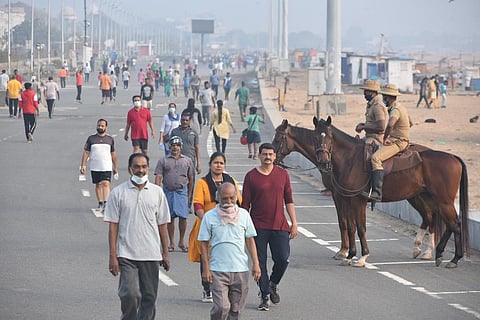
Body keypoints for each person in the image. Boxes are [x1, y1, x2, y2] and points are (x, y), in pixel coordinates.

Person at [104, 153, 171, 320]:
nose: (140, 170)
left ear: (148, 168)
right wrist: (113, 256)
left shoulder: (157, 193)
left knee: (149, 297)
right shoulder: (118, 193)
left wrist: (165, 252)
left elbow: (162, 224)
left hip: (151, 254)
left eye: (144, 167)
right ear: (129, 169)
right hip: (127, 254)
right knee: (130, 294)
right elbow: (113, 226)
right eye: (137, 167)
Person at [241, 143, 298, 311]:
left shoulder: (282, 174)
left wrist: (294, 222)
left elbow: (289, 199)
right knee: (260, 263)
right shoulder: (251, 176)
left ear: (275, 156)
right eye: (264, 154)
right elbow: (245, 205)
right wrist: (243, 227)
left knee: (282, 259)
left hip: (279, 225)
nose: (267, 157)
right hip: (257, 226)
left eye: (270, 154)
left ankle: (273, 283)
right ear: (259, 156)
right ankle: (264, 294)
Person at [198, 182, 261, 319]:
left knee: (236, 310)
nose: (229, 202)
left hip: (240, 270)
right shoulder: (209, 216)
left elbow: (250, 240)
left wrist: (256, 264)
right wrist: (206, 269)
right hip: (218, 270)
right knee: (222, 307)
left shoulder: (244, 215)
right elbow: (203, 244)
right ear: (218, 197)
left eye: (232, 198)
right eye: (225, 198)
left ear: (236, 197)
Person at [189, 152, 243, 304]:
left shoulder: (230, 181)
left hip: (227, 226)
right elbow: (198, 204)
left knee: (224, 257)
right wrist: (206, 219)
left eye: (221, 163)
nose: (218, 165)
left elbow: (238, 201)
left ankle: (224, 288)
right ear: (210, 164)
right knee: (205, 257)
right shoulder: (203, 182)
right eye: (216, 163)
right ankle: (207, 288)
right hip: (207, 225)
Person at [363, 84, 413, 202]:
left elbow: (390, 124)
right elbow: (410, 122)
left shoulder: (395, 110)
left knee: (375, 158)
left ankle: (377, 192)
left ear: (390, 97)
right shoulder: (401, 107)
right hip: (398, 138)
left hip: (399, 142)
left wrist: (386, 138)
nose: (383, 99)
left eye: (385, 97)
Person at [154, 136, 194, 253]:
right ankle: (171, 242)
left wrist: (189, 195)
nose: (175, 147)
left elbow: (191, 178)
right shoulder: (163, 161)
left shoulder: (187, 161)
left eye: (177, 145)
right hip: (168, 192)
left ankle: (181, 241)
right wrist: (157, 192)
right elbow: (159, 177)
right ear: (169, 147)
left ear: (181, 147)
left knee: (183, 217)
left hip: (182, 192)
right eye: (173, 145)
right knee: (170, 217)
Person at [80, 119, 118, 213]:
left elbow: (113, 154)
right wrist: (83, 165)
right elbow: (86, 152)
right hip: (95, 166)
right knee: (98, 184)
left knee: (106, 183)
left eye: (102, 126)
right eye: (99, 125)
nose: (100, 127)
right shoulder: (91, 139)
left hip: (107, 166)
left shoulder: (110, 139)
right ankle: (100, 202)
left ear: (106, 127)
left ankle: (106, 203)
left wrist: (115, 166)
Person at [354, 79, 388, 146]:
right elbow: (374, 123)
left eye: (366, 91)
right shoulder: (371, 104)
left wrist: (364, 127)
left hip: (376, 138)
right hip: (369, 136)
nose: (364, 93)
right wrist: (363, 125)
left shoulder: (377, 106)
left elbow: (381, 127)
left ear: (373, 92)